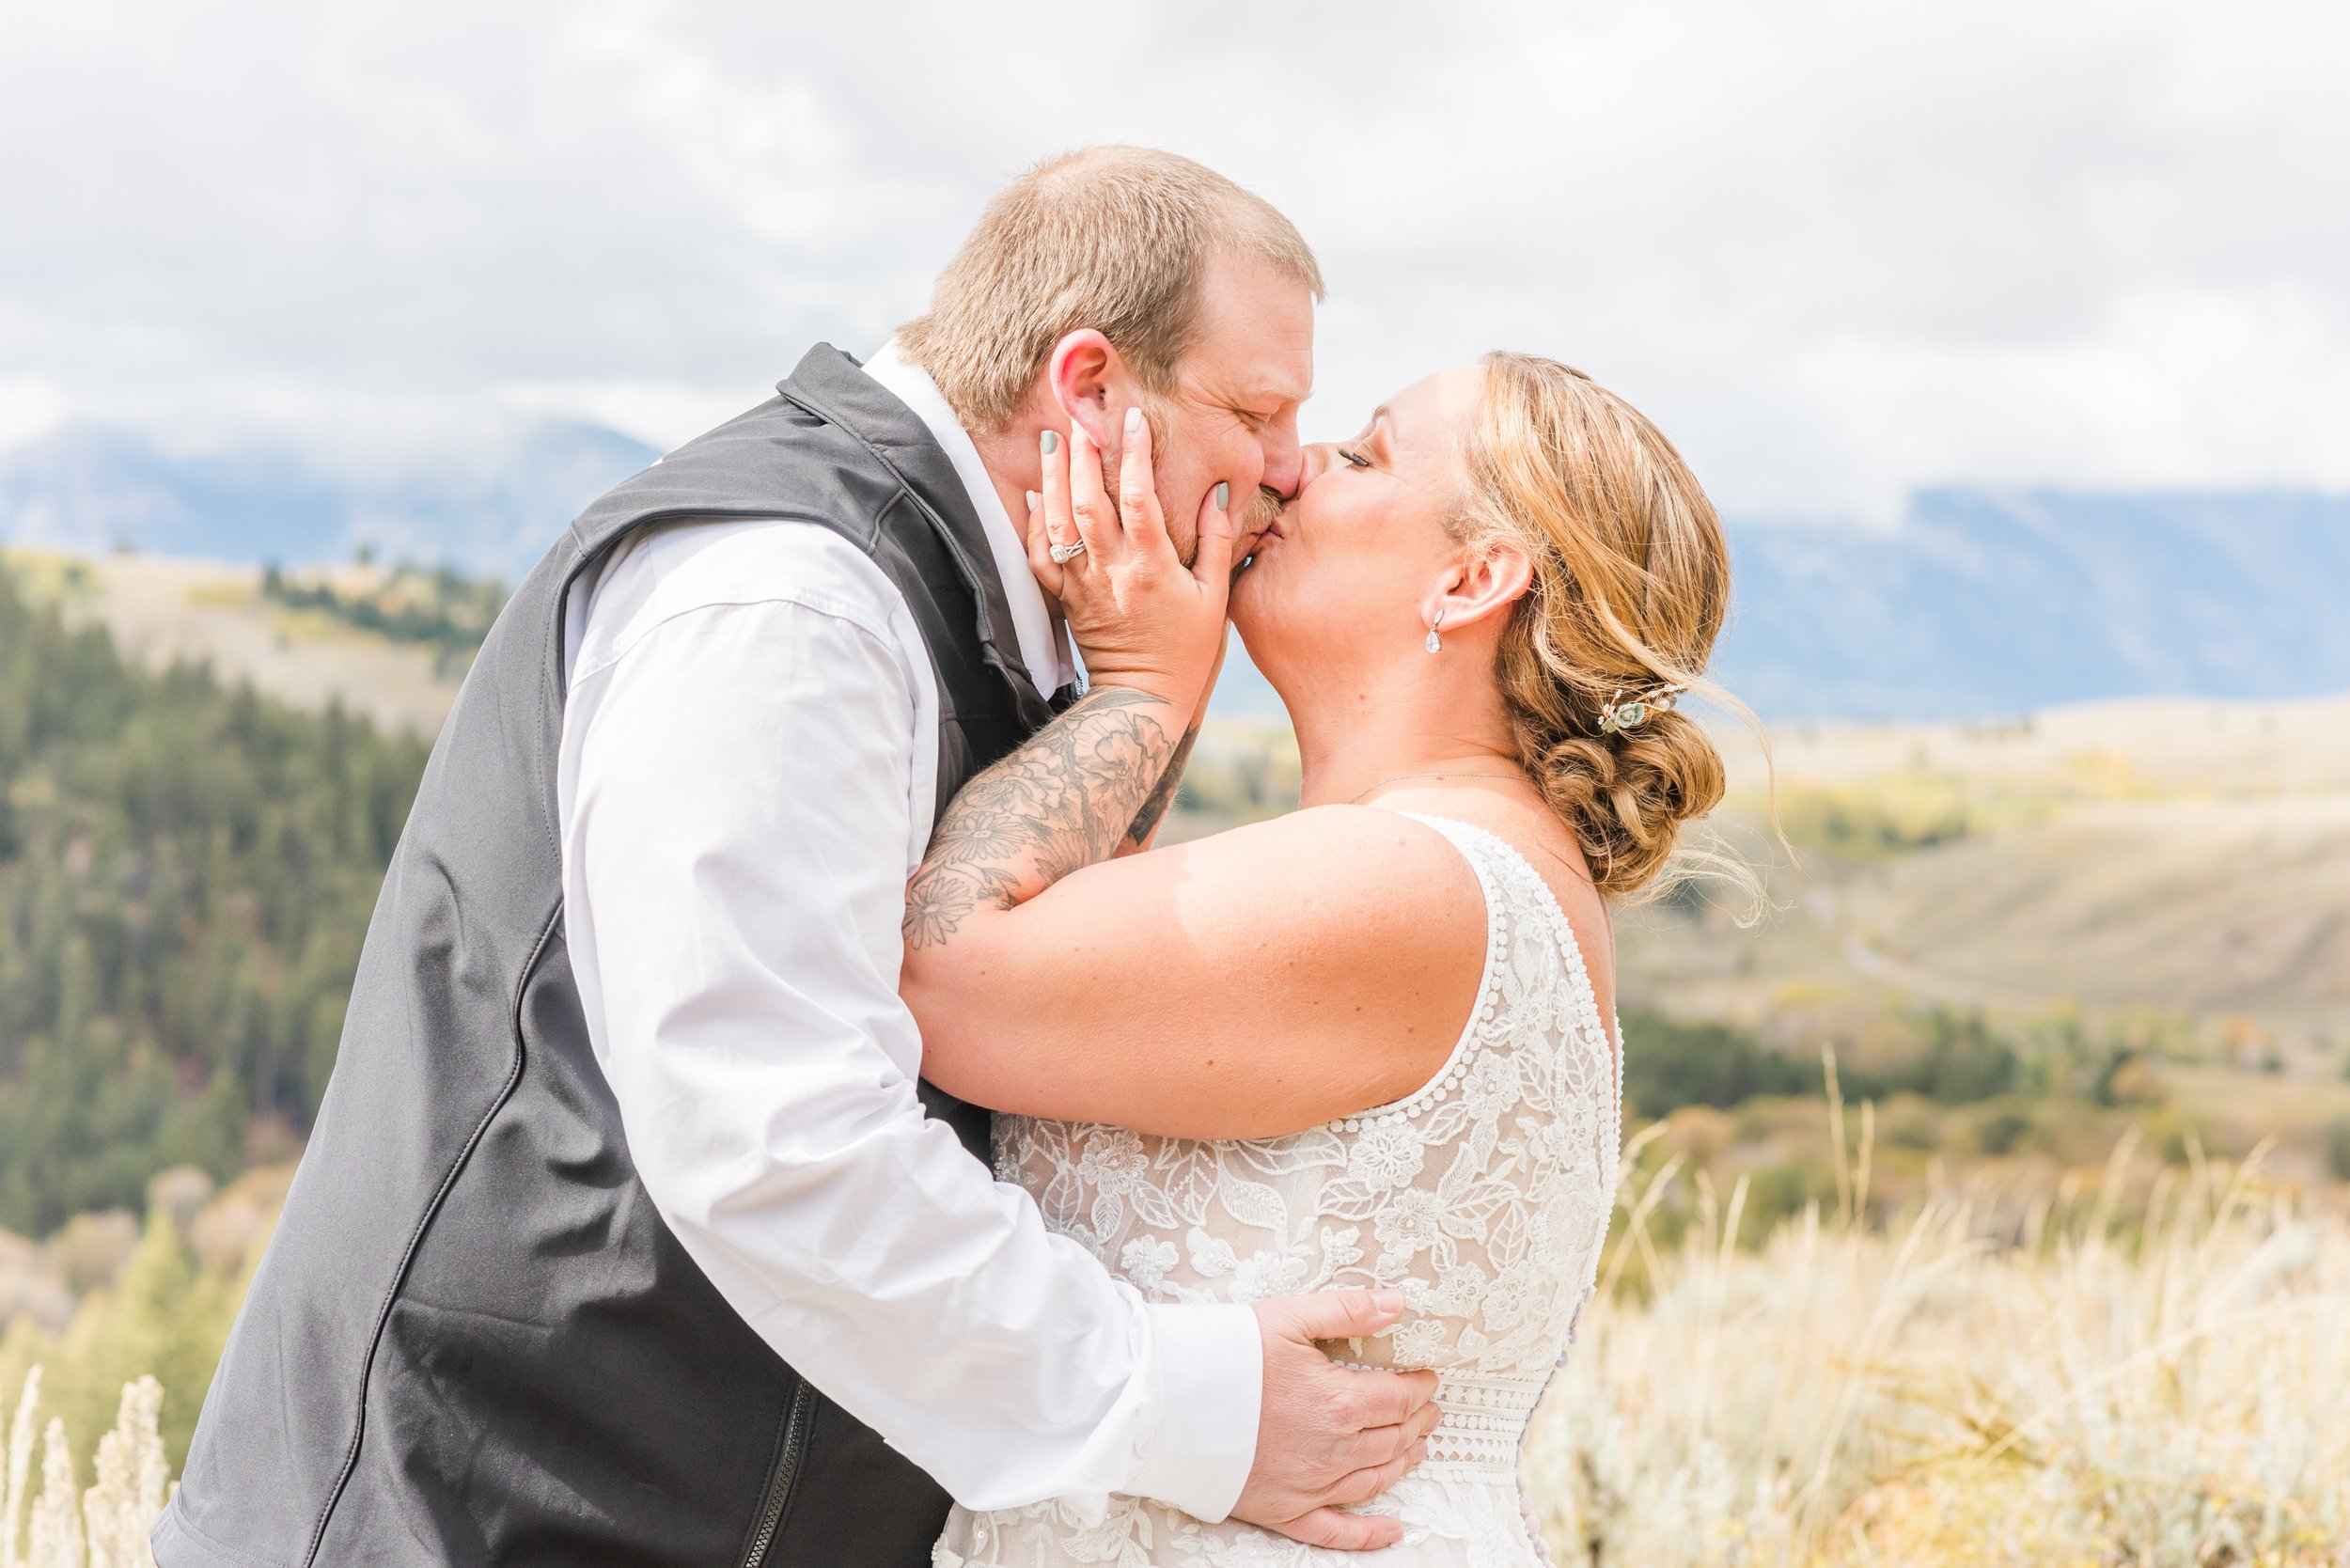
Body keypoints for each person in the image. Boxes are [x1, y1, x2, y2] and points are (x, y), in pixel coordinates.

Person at [156, 149, 1438, 1568]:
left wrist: (1148, 698)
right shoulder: (792, 604)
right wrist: (1185, 1406)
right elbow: (772, 1138)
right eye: (1256, 409)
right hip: (476, 1509)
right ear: (1085, 386)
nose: (1282, 467)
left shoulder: (984, 610)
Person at [904, 352, 1736, 1564]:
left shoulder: (1409, 884)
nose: (1291, 472)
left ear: (1472, 577)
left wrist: (1140, 688)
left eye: (1363, 455)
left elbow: (937, 974)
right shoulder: (1433, 868)